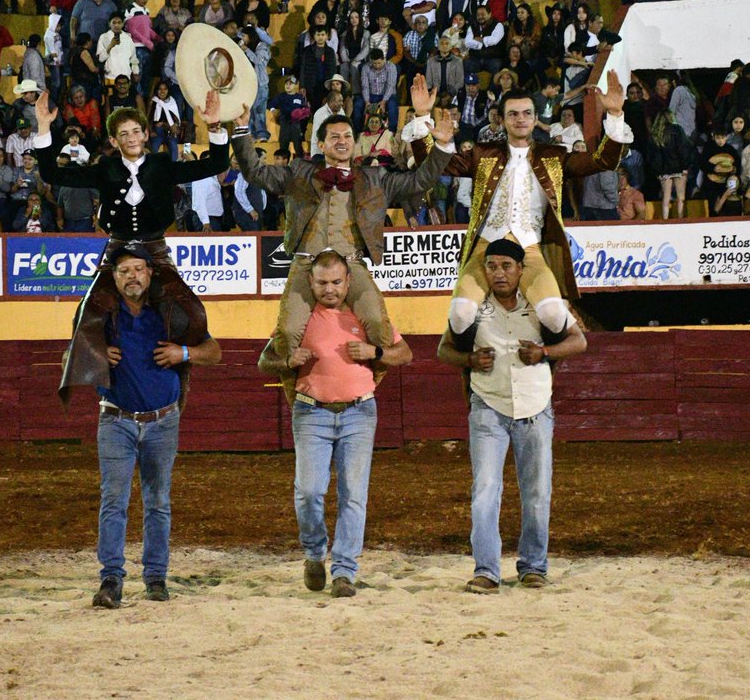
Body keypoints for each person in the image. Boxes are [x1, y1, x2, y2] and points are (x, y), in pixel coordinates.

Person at [233, 76, 451, 364]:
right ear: (321, 144)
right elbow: (255, 172)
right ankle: (297, 390)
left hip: (352, 263)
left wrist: (443, 146)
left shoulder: (376, 179)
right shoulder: (299, 172)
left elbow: (421, 180)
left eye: (348, 136)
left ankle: (366, 383)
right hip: (305, 263)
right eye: (334, 137)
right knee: (286, 333)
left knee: (378, 325)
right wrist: (240, 129)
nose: (342, 142)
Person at [34, 90, 233, 403]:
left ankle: (185, 357)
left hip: (155, 250)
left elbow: (215, 164)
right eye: (123, 133)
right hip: (117, 251)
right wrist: (44, 128)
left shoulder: (162, 164)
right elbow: (52, 173)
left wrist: (215, 126)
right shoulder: (105, 169)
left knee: (192, 311)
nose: (131, 137)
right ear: (114, 140)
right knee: (87, 310)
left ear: (146, 134)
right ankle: (96, 361)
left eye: (136, 131)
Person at [406, 73, 631, 346]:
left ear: (536, 119)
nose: (521, 119)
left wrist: (616, 114)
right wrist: (421, 117)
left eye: (527, 113)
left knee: (553, 316)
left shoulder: (554, 156)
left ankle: (542, 361)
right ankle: (472, 367)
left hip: (530, 249)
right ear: (501, 120)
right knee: (460, 315)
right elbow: (434, 166)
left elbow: (602, 161)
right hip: (486, 246)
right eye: (513, 114)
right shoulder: (482, 153)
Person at [257, 250, 413, 597]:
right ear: (310, 282)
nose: (330, 289)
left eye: (336, 282)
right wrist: (287, 359)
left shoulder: (367, 318)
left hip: (359, 412)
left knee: (354, 496)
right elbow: (264, 361)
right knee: (309, 492)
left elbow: (405, 354)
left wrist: (375, 353)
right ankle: (314, 554)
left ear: (348, 282)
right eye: (322, 282)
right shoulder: (298, 321)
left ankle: (344, 570)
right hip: (312, 412)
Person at [437, 237, 587, 593]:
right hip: (488, 407)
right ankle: (486, 569)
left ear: (522, 269)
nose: (499, 273)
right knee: (485, 490)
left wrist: (545, 351)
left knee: (536, 492)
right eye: (491, 266)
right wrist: (470, 360)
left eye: (506, 266)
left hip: (535, 408)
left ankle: (534, 566)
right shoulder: (472, 308)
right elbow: (444, 350)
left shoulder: (541, 306)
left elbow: (579, 341)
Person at [90, 242, 224, 609]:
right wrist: (93, 355)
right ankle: (111, 578)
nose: (132, 276)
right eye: (124, 271)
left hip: (162, 421)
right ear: (113, 278)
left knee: (157, 501)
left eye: (138, 269)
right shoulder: (100, 315)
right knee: (114, 501)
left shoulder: (170, 315)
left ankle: (155, 578)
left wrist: (184, 353)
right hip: (116, 419)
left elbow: (214, 352)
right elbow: (70, 355)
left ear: (150, 274)